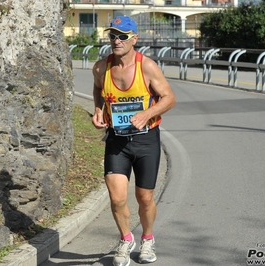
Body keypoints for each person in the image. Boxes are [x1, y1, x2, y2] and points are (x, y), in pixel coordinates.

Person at [91, 15, 176, 266]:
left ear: (134, 39)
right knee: (117, 197)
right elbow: (97, 89)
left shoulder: (146, 66)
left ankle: (147, 238)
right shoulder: (101, 67)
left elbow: (169, 98)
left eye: (122, 36)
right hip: (117, 140)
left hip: (146, 139)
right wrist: (98, 110)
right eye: (112, 36)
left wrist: (147, 113)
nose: (116, 41)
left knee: (144, 198)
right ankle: (126, 239)